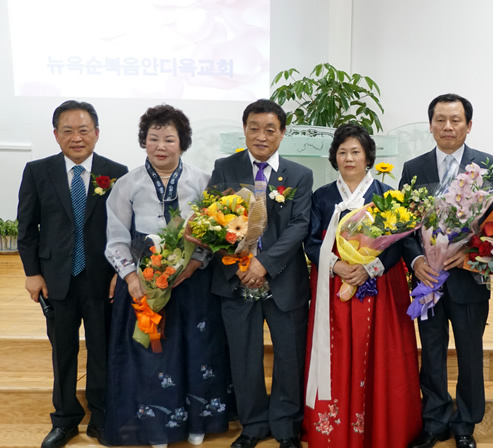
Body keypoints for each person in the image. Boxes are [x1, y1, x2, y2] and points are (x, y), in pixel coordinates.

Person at [102, 104, 231, 447]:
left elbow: (215, 232)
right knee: (152, 353)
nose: (160, 146)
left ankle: (199, 421)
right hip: (144, 283)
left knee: (198, 348)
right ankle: (156, 427)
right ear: (143, 141)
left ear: (182, 143)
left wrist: (195, 264)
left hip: (193, 282)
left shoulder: (202, 181)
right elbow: (115, 238)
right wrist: (131, 278)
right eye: (153, 138)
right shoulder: (127, 184)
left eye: (169, 139)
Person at [303, 123, 422, 447]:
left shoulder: (386, 196)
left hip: (380, 288)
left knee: (382, 355)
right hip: (334, 287)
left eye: (355, 151)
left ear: (368, 156)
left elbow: (401, 242)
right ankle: (334, 429)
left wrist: (370, 268)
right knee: (336, 352)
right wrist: (337, 264)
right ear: (334, 158)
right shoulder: (323, 197)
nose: (349, 158)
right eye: (342, 152)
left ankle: (382, 427)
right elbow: (311, 242)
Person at [17, 101, 127, 448]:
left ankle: (101, 417)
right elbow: (27, 228)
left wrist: (121, 272)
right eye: (67, 131)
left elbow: (125, 228)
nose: (76, 138)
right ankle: (64, 420)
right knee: (63, 353)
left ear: (96, 133)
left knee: (101, 351)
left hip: (102, 280)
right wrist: (33, 274)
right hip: (55, 280)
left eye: (83, 130)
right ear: (56, 134)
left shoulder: (116, 172)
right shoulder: (38, 171)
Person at [401, 93, 493, 448]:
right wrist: (417, 262)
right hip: (428, 282)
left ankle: (465, 424)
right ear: (430, 125)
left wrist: (468, 256)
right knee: (431, 353)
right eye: (440, 120)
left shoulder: (488, 166)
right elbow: (403, 227)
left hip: (467, 280)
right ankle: (435, 421)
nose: (448, 126)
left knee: (470, 354)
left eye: (455, 120)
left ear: (468, 125)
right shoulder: (413, 169)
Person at [208, 99, 313, 448]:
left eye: (270, 129)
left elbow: (299, 226)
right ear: (244, 129)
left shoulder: (299, 175)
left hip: (283, 280)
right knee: (244, 357)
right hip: (236, 280)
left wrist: (264, 263)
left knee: (289, 357)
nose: (261, 136)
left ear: (282, 133)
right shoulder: (225, 168)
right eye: (254, 128)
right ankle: (252, 425)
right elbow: (211, 221)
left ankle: (286, 427)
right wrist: (241, 264)